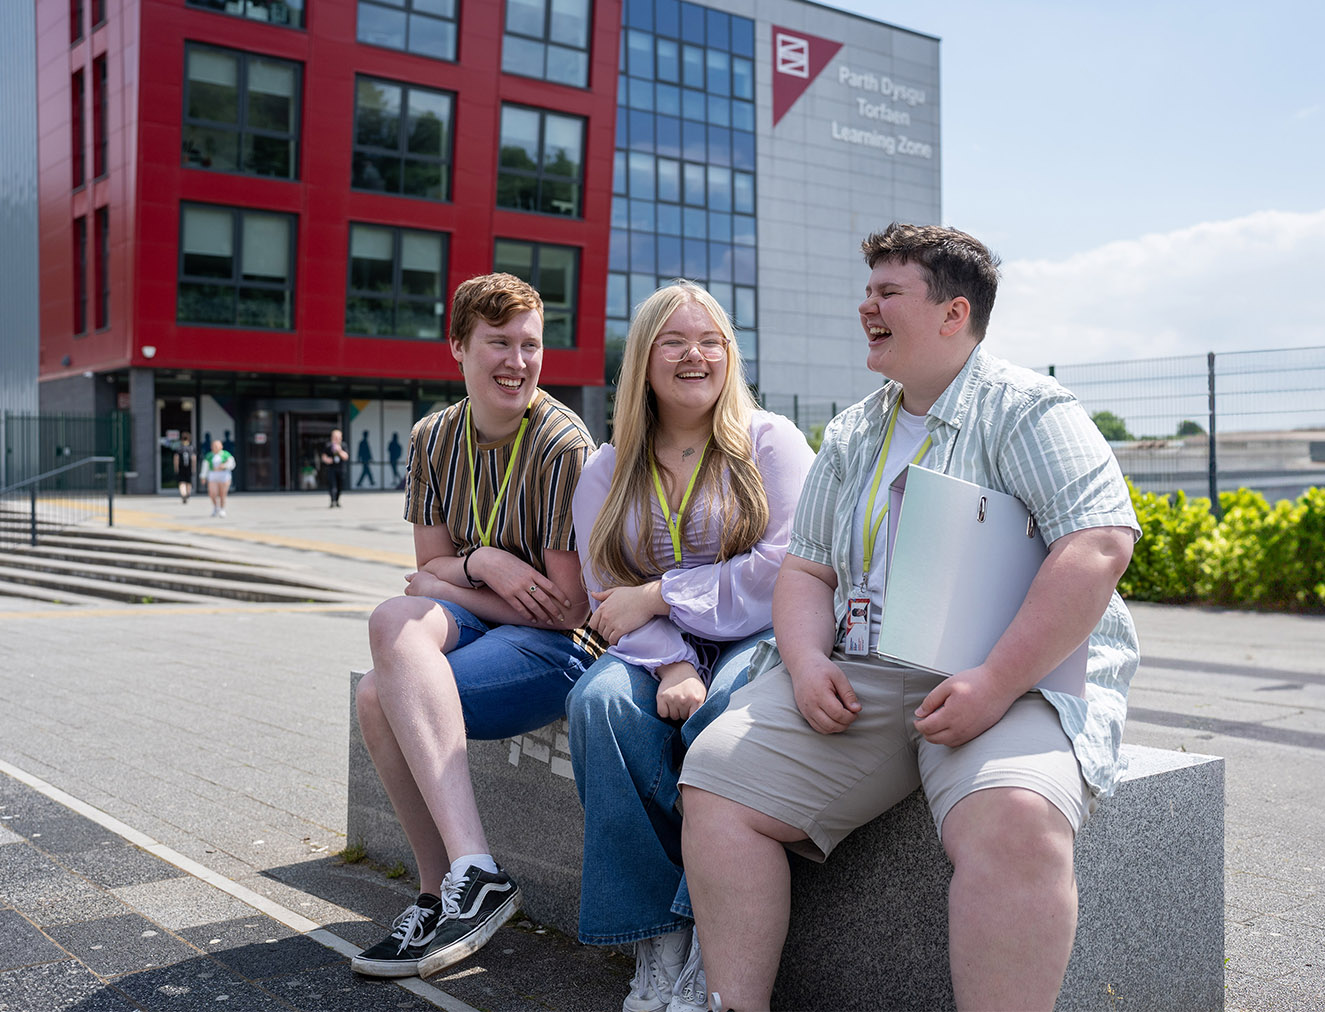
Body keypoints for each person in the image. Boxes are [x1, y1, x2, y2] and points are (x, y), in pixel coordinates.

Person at [679, 223, 1141, 1012]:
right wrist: (805, 660)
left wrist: (994, 683)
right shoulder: (856, 429)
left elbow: (1098, 545)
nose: (866, 307)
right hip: (868, 669)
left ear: (953, 314)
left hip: (1010, 675)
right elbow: (806, 569)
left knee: (1018, 820)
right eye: (867, 291)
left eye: (887, 292)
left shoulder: (1028, 410)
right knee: (718, 781)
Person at [566, 283, 814, 1012]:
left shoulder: (771, 443)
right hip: (652, 649)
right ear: (643, 358)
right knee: (598, 703)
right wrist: (672, 658)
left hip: (756, 634)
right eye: (673, 341)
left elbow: (784, 568)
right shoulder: (606, 470)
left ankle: (714, 920)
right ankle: (658, 938)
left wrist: (664, 593)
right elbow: (608, 597)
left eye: (710, 340)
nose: (694, 355)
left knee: (732, 707)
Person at [351, 273, 601, 980]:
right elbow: (424, 573)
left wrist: (457, 576)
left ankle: (466, 880)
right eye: (498, 343)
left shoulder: (561, 442)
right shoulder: (434, 436)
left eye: (530, 345)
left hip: (558, 651)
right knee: (390, 622)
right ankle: (448, 891)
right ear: (458, 345)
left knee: (380, 694)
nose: (516, 362)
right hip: (491, 622)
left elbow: (566, 609)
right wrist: (488, 562)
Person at [200, 439, 235, 517]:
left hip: (224, 475)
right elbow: (205, 467)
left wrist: (223, 466)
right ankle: (216, 507)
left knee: (223, 493)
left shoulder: (226, 454)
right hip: (213, 475)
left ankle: (222, 509)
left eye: (217, 445)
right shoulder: (209, 455)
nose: (216, 447)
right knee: (212, 493)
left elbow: (232, 464)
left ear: (221, 446)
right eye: (214, 446)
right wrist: (203, 477)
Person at [320, 428, 350, 507]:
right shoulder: (328, 445)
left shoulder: (343, 445)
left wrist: (339, 451)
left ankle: (337, 500)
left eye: (338, 437)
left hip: (341, 468)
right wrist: (327, 460)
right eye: (335, 437)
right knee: (332, 485)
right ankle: (332, 501)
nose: (336, 439)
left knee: (340, 486)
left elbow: (346, 456)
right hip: (331, 468)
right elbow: (323, 456)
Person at [172, 432, 195, 503]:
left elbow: (176, 459)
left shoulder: (179, 448)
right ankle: (188, 494)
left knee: (182, 482)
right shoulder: (191, 448)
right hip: (189, 467)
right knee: (188, 482)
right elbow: (194, 458)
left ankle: (183, 494)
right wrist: (193, 468)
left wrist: (176, 468)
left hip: (181, 467)